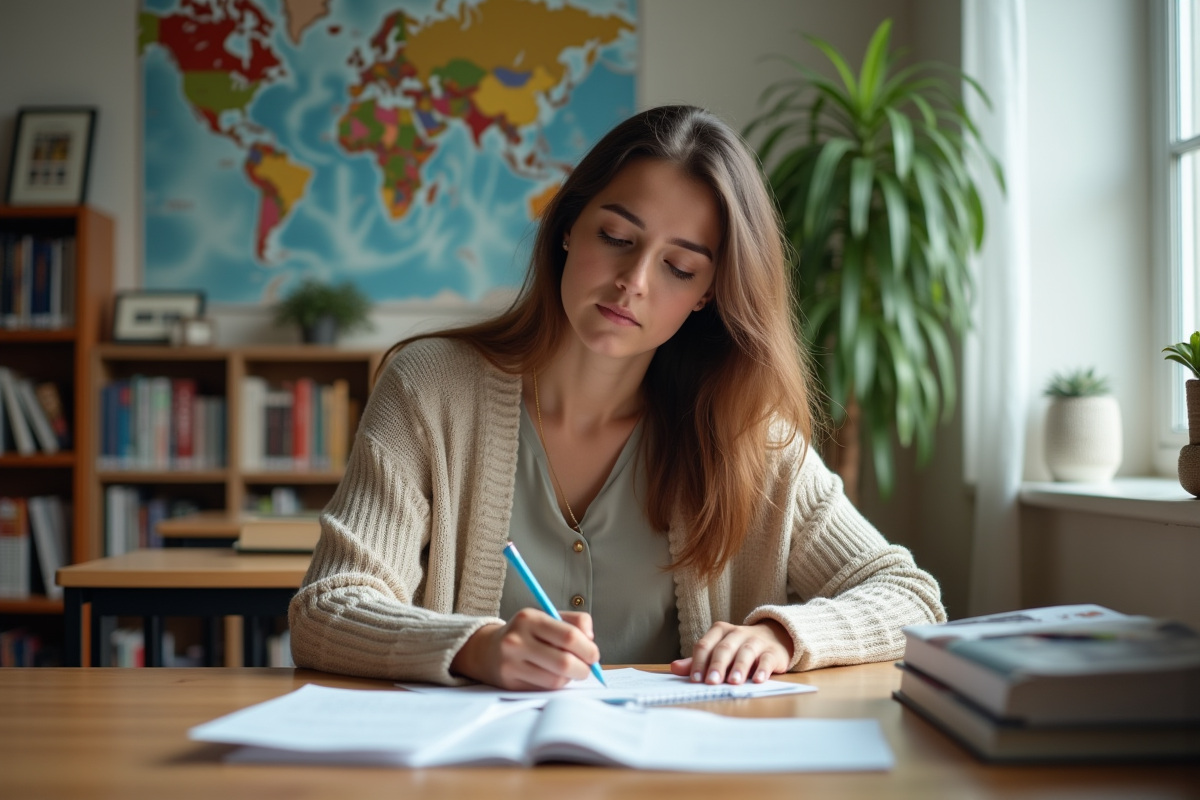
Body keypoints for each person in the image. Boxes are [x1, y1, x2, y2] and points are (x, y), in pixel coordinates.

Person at [288, 105, 945, 690]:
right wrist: (475, 648)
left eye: (679, 267)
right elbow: (327, 607)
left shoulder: (746, 431)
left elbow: (910, 595)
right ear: (570, 227)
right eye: (616, 238)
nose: (633, 281)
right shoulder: (429, 386)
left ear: (708, 293)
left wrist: (781, 637)